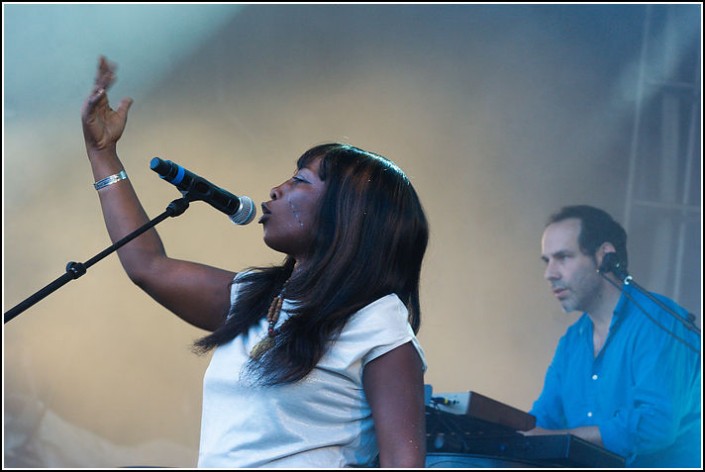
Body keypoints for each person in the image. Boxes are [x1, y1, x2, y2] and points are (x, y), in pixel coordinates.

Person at [81, 56, 429, 468]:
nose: (276, 190)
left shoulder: (376, 322)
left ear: (348, 215)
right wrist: (102, 154)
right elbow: (148, 266)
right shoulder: (255, 297)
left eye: (300, 180)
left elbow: (403, 463)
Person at [523, 204, 701, 468]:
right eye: (547, 261)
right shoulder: (572, 341)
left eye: (563, 257)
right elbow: (542, 422)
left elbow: (655, 427)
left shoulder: (657, 322)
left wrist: (555, 437)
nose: (550, 273)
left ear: (605, 257)